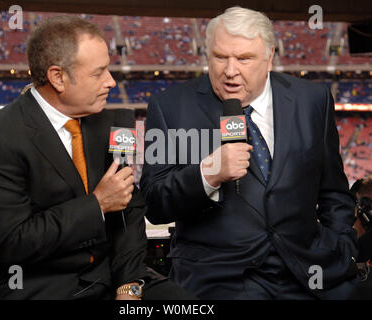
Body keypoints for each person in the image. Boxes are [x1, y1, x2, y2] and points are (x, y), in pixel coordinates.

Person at [140, 6, 359, 299]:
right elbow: (154, 203)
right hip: (220, 279)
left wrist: (342, 244)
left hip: (311, 271)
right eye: (220, 57)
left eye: (244, 58)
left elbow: (334, 191)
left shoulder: (313, 100)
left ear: (269, 57)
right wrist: (208, 174)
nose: (230, 71)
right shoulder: (169, 107)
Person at [0, 16, 148, 300]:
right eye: (99, 73)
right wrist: (97, 204)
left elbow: (129, 212)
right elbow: (10, 243)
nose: (111, 82)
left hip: (107, 276)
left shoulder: (111, 123)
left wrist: (130, 286)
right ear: (58, 77)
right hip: (34, 285)